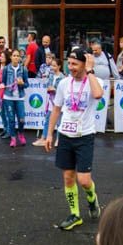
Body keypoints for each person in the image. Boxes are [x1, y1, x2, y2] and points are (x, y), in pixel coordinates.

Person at [45, 47, 105, 230]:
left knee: (84, 180)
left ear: (84, 64)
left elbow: (98, 95)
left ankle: (92, 199)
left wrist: (90, 70)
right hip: (65, 135)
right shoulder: (64, 83)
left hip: (84, 136)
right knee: (68, 178)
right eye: (69, 63)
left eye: (75, 64)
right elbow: (56, 109)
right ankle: (75, 214)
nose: (70, 67)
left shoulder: (95, 81)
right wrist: (49, 134)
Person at [34, 55, 63, 147]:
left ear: (59, 66)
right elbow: (49, 86)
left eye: (54, 66)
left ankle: (59, 139)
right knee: (47, 120)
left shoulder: (62, 78)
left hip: (58, 103)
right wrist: (49, 89)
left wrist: (54, 89)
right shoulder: (51, 75)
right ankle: (44, 137)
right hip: (51, 102)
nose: (52, 67)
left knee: (59, 122)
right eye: (52, 65)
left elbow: (62, 90)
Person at [0, 48, 27, 147]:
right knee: (11, 119)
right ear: (11, 57)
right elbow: (3, 81)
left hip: (19, 97)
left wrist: (22, 83)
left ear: (20, 58)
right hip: (8, 97)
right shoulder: (6, 68)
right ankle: (13, 138)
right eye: (14, 56)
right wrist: (2, 85)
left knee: (21, 119)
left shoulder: (23, 69)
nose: (16, 58)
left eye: (17, 56)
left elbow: (27, 84)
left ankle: (21, 133)